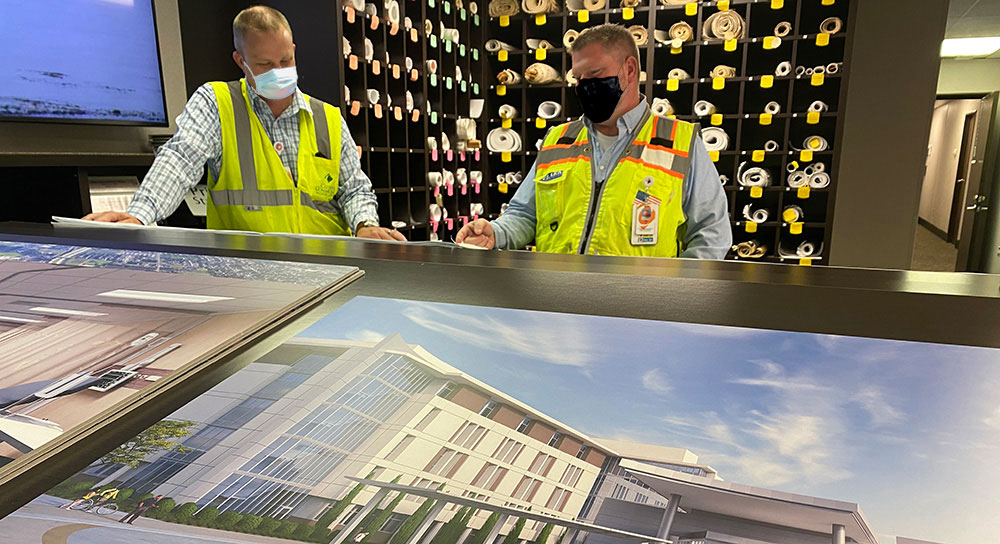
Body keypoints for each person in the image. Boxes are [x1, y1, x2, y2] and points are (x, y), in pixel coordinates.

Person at [83, 6, 405, 241]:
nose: (279, 71)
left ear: (294, 51)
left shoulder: (328, 118)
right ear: (241, 61)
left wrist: (365, 224)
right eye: (265, 64)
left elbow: (354, 189)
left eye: (286, 60)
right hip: (249, 276)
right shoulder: (217, 104)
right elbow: (180, 159)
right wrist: (140, 215)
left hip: (329, 275)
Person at [457, 24, 731, 258]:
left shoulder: (680, 142)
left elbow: (711, 234)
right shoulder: (558, 140)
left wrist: (677, 292)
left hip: (641, 302)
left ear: (630, 69)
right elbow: (525, 214)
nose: (584, 86)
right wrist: (496, 233)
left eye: (595, 74)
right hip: (557, 296)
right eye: (579, 78)